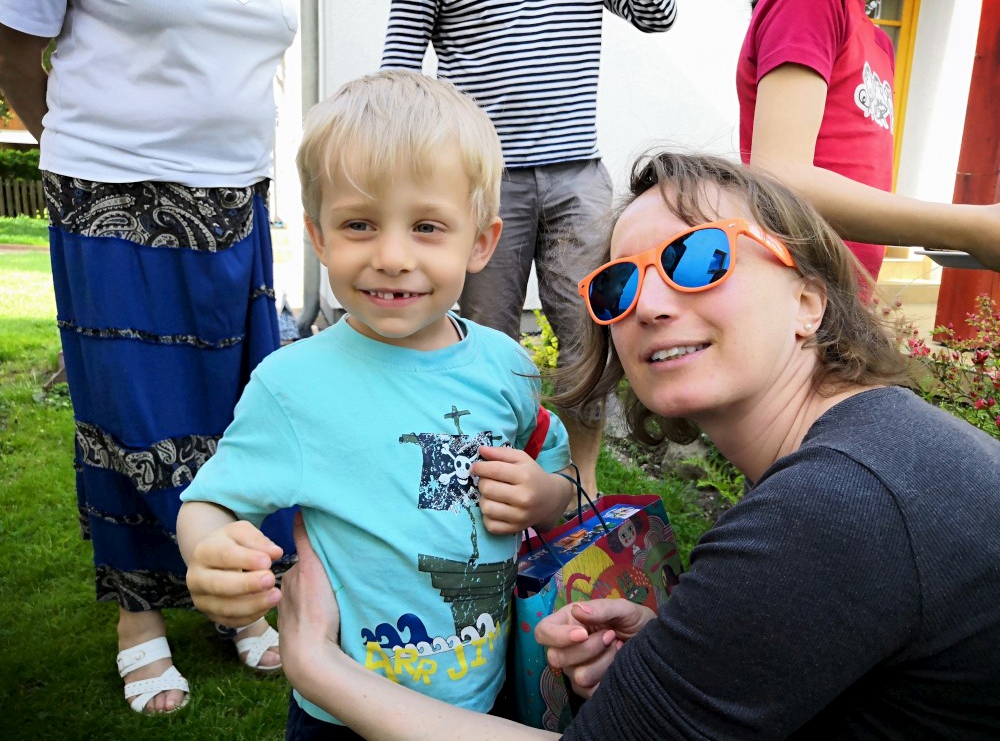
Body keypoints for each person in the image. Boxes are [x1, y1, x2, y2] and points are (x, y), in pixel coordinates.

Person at [274, 150, 1000, 740]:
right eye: (618, 286)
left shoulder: (833, 506)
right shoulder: (873, 452)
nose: (646, 305)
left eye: (700, 259)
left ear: (807, 301)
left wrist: (318, 667)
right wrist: (678, 658)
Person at [177, 69, 576, 739]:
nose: (392, 256)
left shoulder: (505, 365)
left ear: (480, 242)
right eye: (359, 224)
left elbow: (560, 475)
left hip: (490, 684)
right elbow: (211, 502)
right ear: (319, 237)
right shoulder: (293, 386)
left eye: (427, 226)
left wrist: (542, 495)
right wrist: (211, 549)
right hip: (344, 709)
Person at [0, 0, 299, 715]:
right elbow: (12, 50)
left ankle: (237, 592)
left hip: (235, 198)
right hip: (111, 194)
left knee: (238, 414)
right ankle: (139, 613)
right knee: (128, 412)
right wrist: (87, 159)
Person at [381, 0, 679, 501]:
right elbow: (399, 71)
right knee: (484, 341)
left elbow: (656, 14)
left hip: (577, 173)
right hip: (484, 179)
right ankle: (493, 484)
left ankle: (579, 485)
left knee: (588, 332)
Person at [740, 0, 1000, 278]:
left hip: (841, 290)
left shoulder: (879, 43)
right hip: (793, 282)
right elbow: (780, 178)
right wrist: (971, 227)